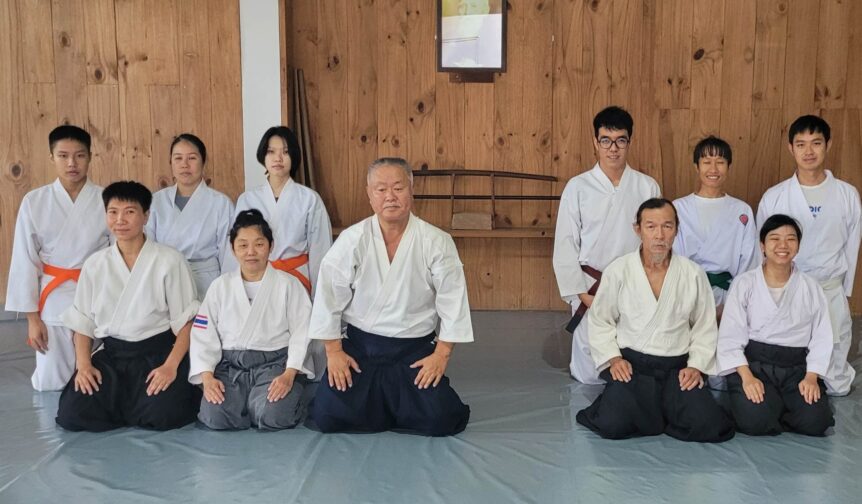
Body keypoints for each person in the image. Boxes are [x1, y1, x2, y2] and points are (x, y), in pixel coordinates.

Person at [309, 158, 472, 437]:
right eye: (381, 189)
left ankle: (390, 405)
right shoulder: (353, 239)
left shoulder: (436, 241)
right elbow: (328, 298)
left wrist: (441, 355)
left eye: (398, 188)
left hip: (414, 350)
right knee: (327, 416)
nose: (390, 196)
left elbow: (453, 302)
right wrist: (334, 352)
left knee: (440, 420)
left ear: (411, 189)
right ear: (369, 194)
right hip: (361, 349)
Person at [576, 198, 734, 442]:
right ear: (638, 230)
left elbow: (704, 326)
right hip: (633, 367)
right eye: (651, 227)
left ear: (676, 229)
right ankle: (650, 408)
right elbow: (600, 320)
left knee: (709, 426)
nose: (660, 235)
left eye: (667, 226)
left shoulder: (692, 273)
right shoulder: (619, 270)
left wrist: (696, 365)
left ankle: (663, 409)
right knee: (612, 424)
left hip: (678, 368)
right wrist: (614, 358)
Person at [55, 181, 201, 432]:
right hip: (113, 357)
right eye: (113, 212)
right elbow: (82, 323)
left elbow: (187, 322)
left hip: (157, 354)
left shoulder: (169, 260)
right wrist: (84, 366)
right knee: (74, 413)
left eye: (129, 211)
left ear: (146, 216)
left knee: (166, 414)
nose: (120, 219)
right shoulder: (95, 264)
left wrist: (170, 366)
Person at [553, 106, 661, 384]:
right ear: (595, 142)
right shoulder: (578, 187)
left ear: (629, 142)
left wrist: (653, 283)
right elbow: (565, 244)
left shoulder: (647, 187)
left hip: (634, 282)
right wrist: (580, 293)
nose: (613, 149)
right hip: (590, 285)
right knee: (590, 372)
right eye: (606, 140)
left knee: (631, 358)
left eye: (620, 140)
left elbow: (657, 239)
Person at [756, 115, 861, 396]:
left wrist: (845, 289)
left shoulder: (847, 195)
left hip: (829, 286)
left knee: (836, 375)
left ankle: (829, 379)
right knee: (787, 350)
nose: (809, 151)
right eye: (801, 144)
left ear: (828, 144)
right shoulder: (775, 196)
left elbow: (852, 246)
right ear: (791, 148)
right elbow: (762, 249)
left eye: (816, 143)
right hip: (788, 286)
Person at [189, 210, 316, 430]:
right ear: (232, 248)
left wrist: (289, 374)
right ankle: (246, 403)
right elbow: (203, 333)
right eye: (243, 245)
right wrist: (208, 378)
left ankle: (270, 401)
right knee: (215, 416)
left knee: (274, 414)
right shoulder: (220, 286)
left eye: (258, 244)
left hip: (275, 365)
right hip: (230, 368)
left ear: (270, 246)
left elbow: (302, 331)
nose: (251, 252)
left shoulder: (289, 284)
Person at [5, 125, 110, 391]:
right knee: (51, 381)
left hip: (97, 295)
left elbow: (118, 255)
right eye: (63, 156)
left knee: (99, 377)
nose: (71, 163)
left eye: (79, 155)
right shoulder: (34, 201)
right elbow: (24, 261)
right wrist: (32, 320)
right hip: (53, 300)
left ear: (90, 156)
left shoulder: (106, 199)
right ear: (51, 157)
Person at [717, 214, 834, 436]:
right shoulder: (745, 283)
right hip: (755, 365)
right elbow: (730, 336)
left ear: (798, 246)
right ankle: (770, 408)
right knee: (755, 421)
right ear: (762, 245)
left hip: (796, 368)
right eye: (774, 238)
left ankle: (779, 406)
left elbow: (822, 336)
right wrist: (747, 377)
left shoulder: (811, 287)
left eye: (790, 239)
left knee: (816, 422)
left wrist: (811, 377)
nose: (783, 245)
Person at [231, 126, 331, 297]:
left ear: (294, 156)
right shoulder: (247, 199)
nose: (278, 158)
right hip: (256, 278)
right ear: (263, 155)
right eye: (271, 152)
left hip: (297, 279)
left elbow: (320, 250)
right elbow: (237, 246)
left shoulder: (309, 199)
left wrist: (319, 296)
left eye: (285, 152)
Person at [673, 136, 759, 317]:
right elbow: (673, 258)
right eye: (706, 162)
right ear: (696, 166)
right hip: (686, 295)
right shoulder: (678, 208)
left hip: (730, 296)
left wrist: (732, 303)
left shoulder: (741, 210)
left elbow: (749, 262)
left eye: (720, 162)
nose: (713, 169)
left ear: (729, 166)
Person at [146, 134, 235, 299]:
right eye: (178, 158)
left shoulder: (221, 203)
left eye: (192, 158)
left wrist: (227, 291)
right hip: (166, 281)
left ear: (203, 161)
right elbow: (147, 247)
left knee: (205, 323)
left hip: (207, 284)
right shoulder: (156, 201)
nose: (184, 165)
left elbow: (228, 254)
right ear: (170, 163)